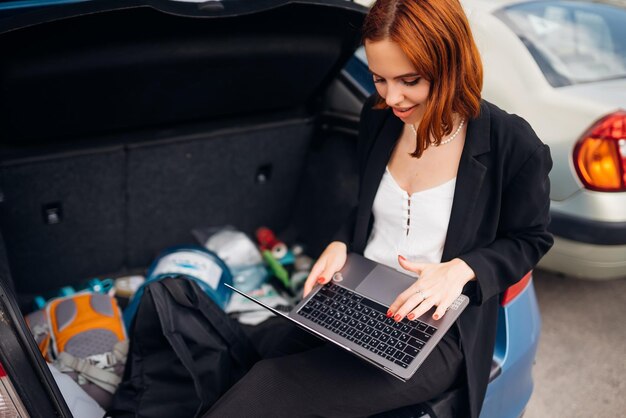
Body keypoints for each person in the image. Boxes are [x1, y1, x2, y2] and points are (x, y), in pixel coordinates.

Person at [205, 0, 553, 416]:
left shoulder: (512, 144)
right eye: (379, 79)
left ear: (450, 63)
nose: (393, 98)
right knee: (247, 353)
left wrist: (462, 269)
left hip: (434, 331)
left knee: (270, 385)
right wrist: (339, 243)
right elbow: (369, 211)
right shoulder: (378, 119)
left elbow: (531, 239)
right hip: (357, 295)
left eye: (409, 80)